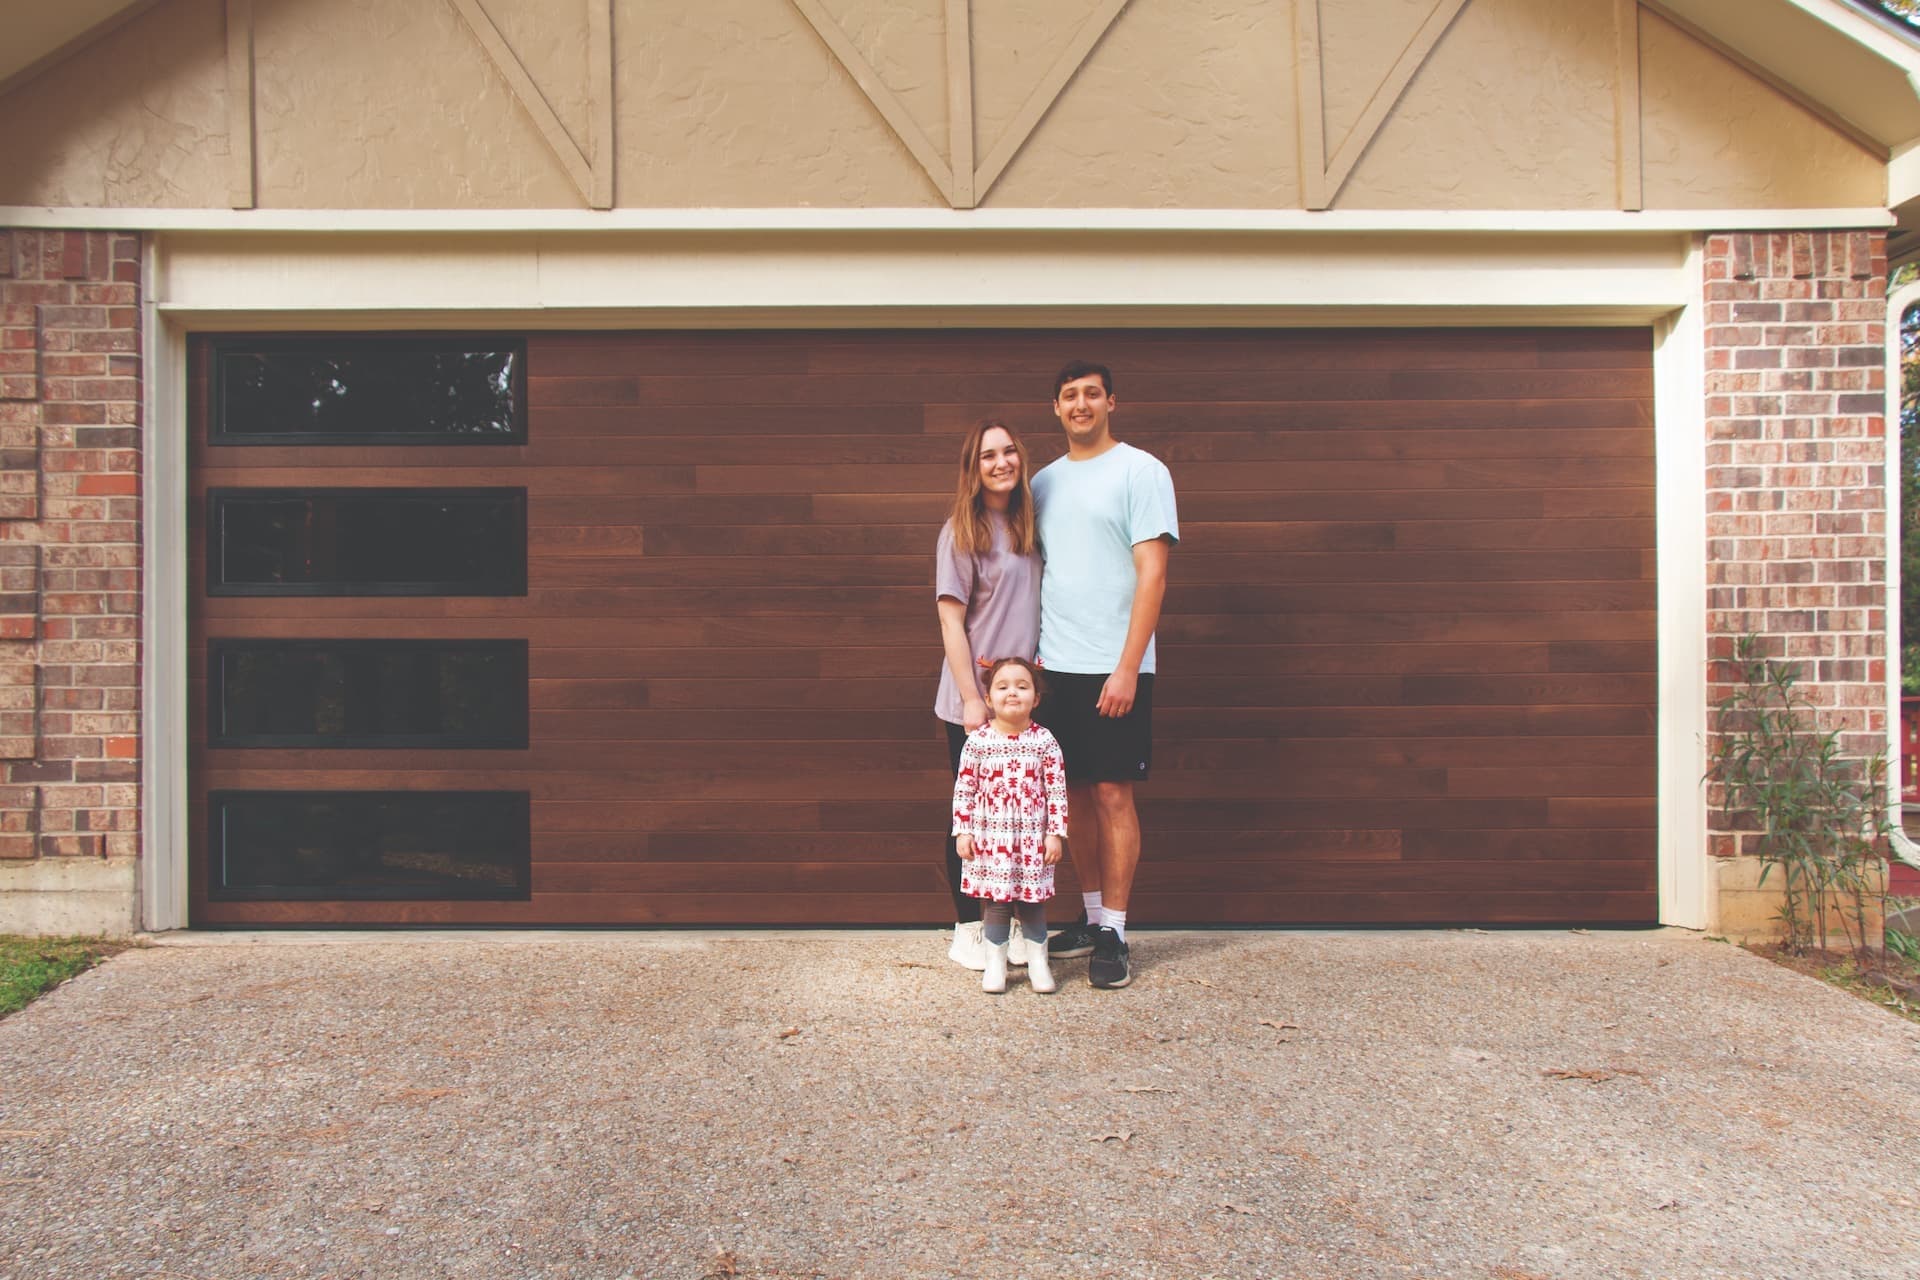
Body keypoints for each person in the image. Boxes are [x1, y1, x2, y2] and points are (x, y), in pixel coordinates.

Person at [1031, 360, 1177, 990]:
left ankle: (1116, 930)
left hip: (1116, 667)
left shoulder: (1141, 471)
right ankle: (1091, 919)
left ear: (1111, 402)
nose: (1081, 404)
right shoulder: (1042, 482)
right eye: (1070, 396)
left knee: (1114, 794)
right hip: (1054, 666)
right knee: (1076, 798)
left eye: (1092, 393)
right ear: (1057, 409)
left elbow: (1154, 573)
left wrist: (1126, 667)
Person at [934, 421, 1042, 970]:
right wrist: (971, 698)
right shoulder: (960, 530)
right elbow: (951, 622)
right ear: (972, 469)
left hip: (1021, 704)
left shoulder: (1028, 525)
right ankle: (970, 926)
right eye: (987, 456)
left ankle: (1016, 926)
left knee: (1022, 817)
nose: (1000, 463)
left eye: (1008, 453)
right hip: (974, 704)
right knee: (972, 819)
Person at [950, 656, 1067, 994]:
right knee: (996, 904)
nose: (1012, 693)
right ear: (989, 698)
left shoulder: (1045, 742)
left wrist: (1055, 834)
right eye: (1002, 687)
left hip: (1031, 840)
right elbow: (964, 788)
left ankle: (1039, 965)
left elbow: (1057, 790)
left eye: (1022, 686)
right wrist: (964, 830)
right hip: (991, 840)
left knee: (1032, 904)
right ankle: (996, 965)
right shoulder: (978, 742)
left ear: (1036, 698)